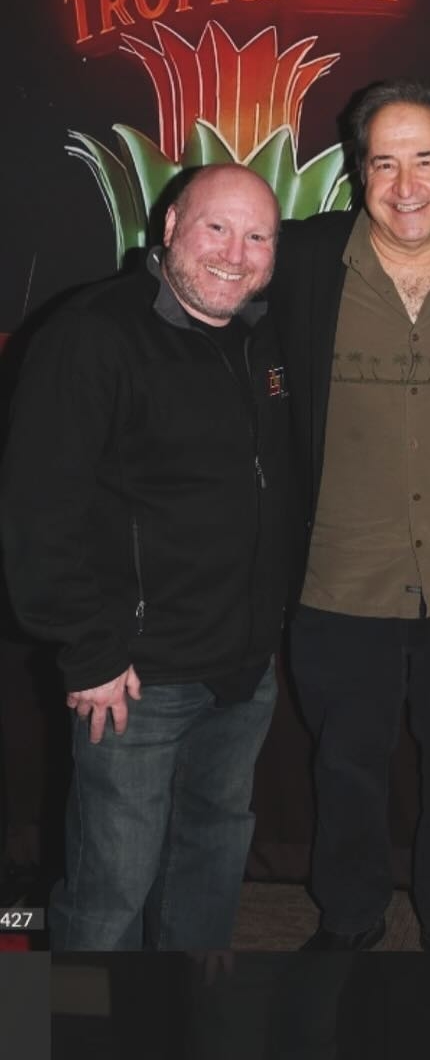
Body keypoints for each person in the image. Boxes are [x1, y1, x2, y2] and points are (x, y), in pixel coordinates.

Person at [269, 80, 430, 953]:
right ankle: (348, 919)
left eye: (425, 159)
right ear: (359, 173)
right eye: (384, 163)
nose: (406, 184)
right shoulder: (305, 264)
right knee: (346, 766)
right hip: (341, 577)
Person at [0, 164, 289, 951]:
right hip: (133, 682)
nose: (234, 253)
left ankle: (182, 1025)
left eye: (258, 236)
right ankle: (75, 1035)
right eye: (216, 227)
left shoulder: (262, 336)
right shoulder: (94, 333)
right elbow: (36, 507)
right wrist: (90, 649)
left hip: (240, 676)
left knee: (208, 877)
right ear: (169, 228)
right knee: (109, 895)